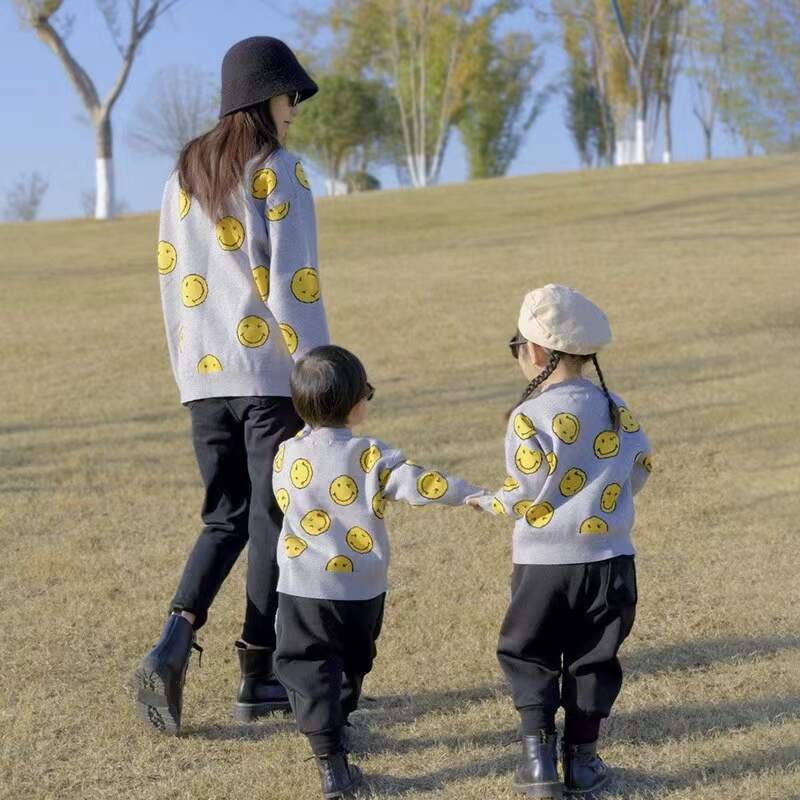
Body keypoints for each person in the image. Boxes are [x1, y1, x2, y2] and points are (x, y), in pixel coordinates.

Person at [133, 36, 328, 735]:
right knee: (272, 519)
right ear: (260, 100)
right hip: (270, 378)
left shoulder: (179, 178)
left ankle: (173, 640)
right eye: (287, 98)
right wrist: (318, 373)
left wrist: (188, 368)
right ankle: (260, 675)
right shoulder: (281, 171)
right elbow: (294, 284)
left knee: (224, 518)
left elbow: (169, 284)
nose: (294, 111)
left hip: (202, 377)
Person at [273, 345, 485, 799]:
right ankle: (339, 727)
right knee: (353, 659)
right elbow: (423, 483)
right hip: (360, 590)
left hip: (302, 587)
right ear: (355, 405)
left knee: (309, 667)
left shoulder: (285, 455)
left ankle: (331, 757)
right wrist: (472, 494)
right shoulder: (371, 455)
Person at [469, 284, 652, 797]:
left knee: (531, 651)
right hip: (611, 559)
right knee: (595, 655)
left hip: (543, 565)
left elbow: (523, 491)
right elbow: (641, 467)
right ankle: (585, 762)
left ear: (534, 351)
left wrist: (487, 500)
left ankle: (537, 762)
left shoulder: (530, 416)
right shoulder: (616, 406)